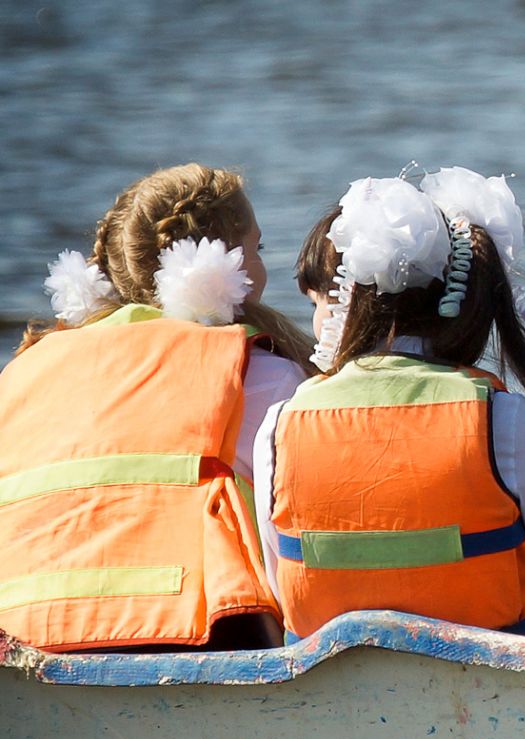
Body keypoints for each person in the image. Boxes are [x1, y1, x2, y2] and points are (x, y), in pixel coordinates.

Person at [253, 168, 525, 654]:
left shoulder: (278, 427)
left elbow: (284, 588)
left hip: (331, 699)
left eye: (321, 301)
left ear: (349, 303)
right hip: (494, 694)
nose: (317, 318)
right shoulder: (508, 425)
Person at [0, 164, 311, 651]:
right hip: (189, 635)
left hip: (23, 639)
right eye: (257, 250)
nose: (263, 267)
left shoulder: (26, 368)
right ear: (222, 265)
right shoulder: (265, 375)